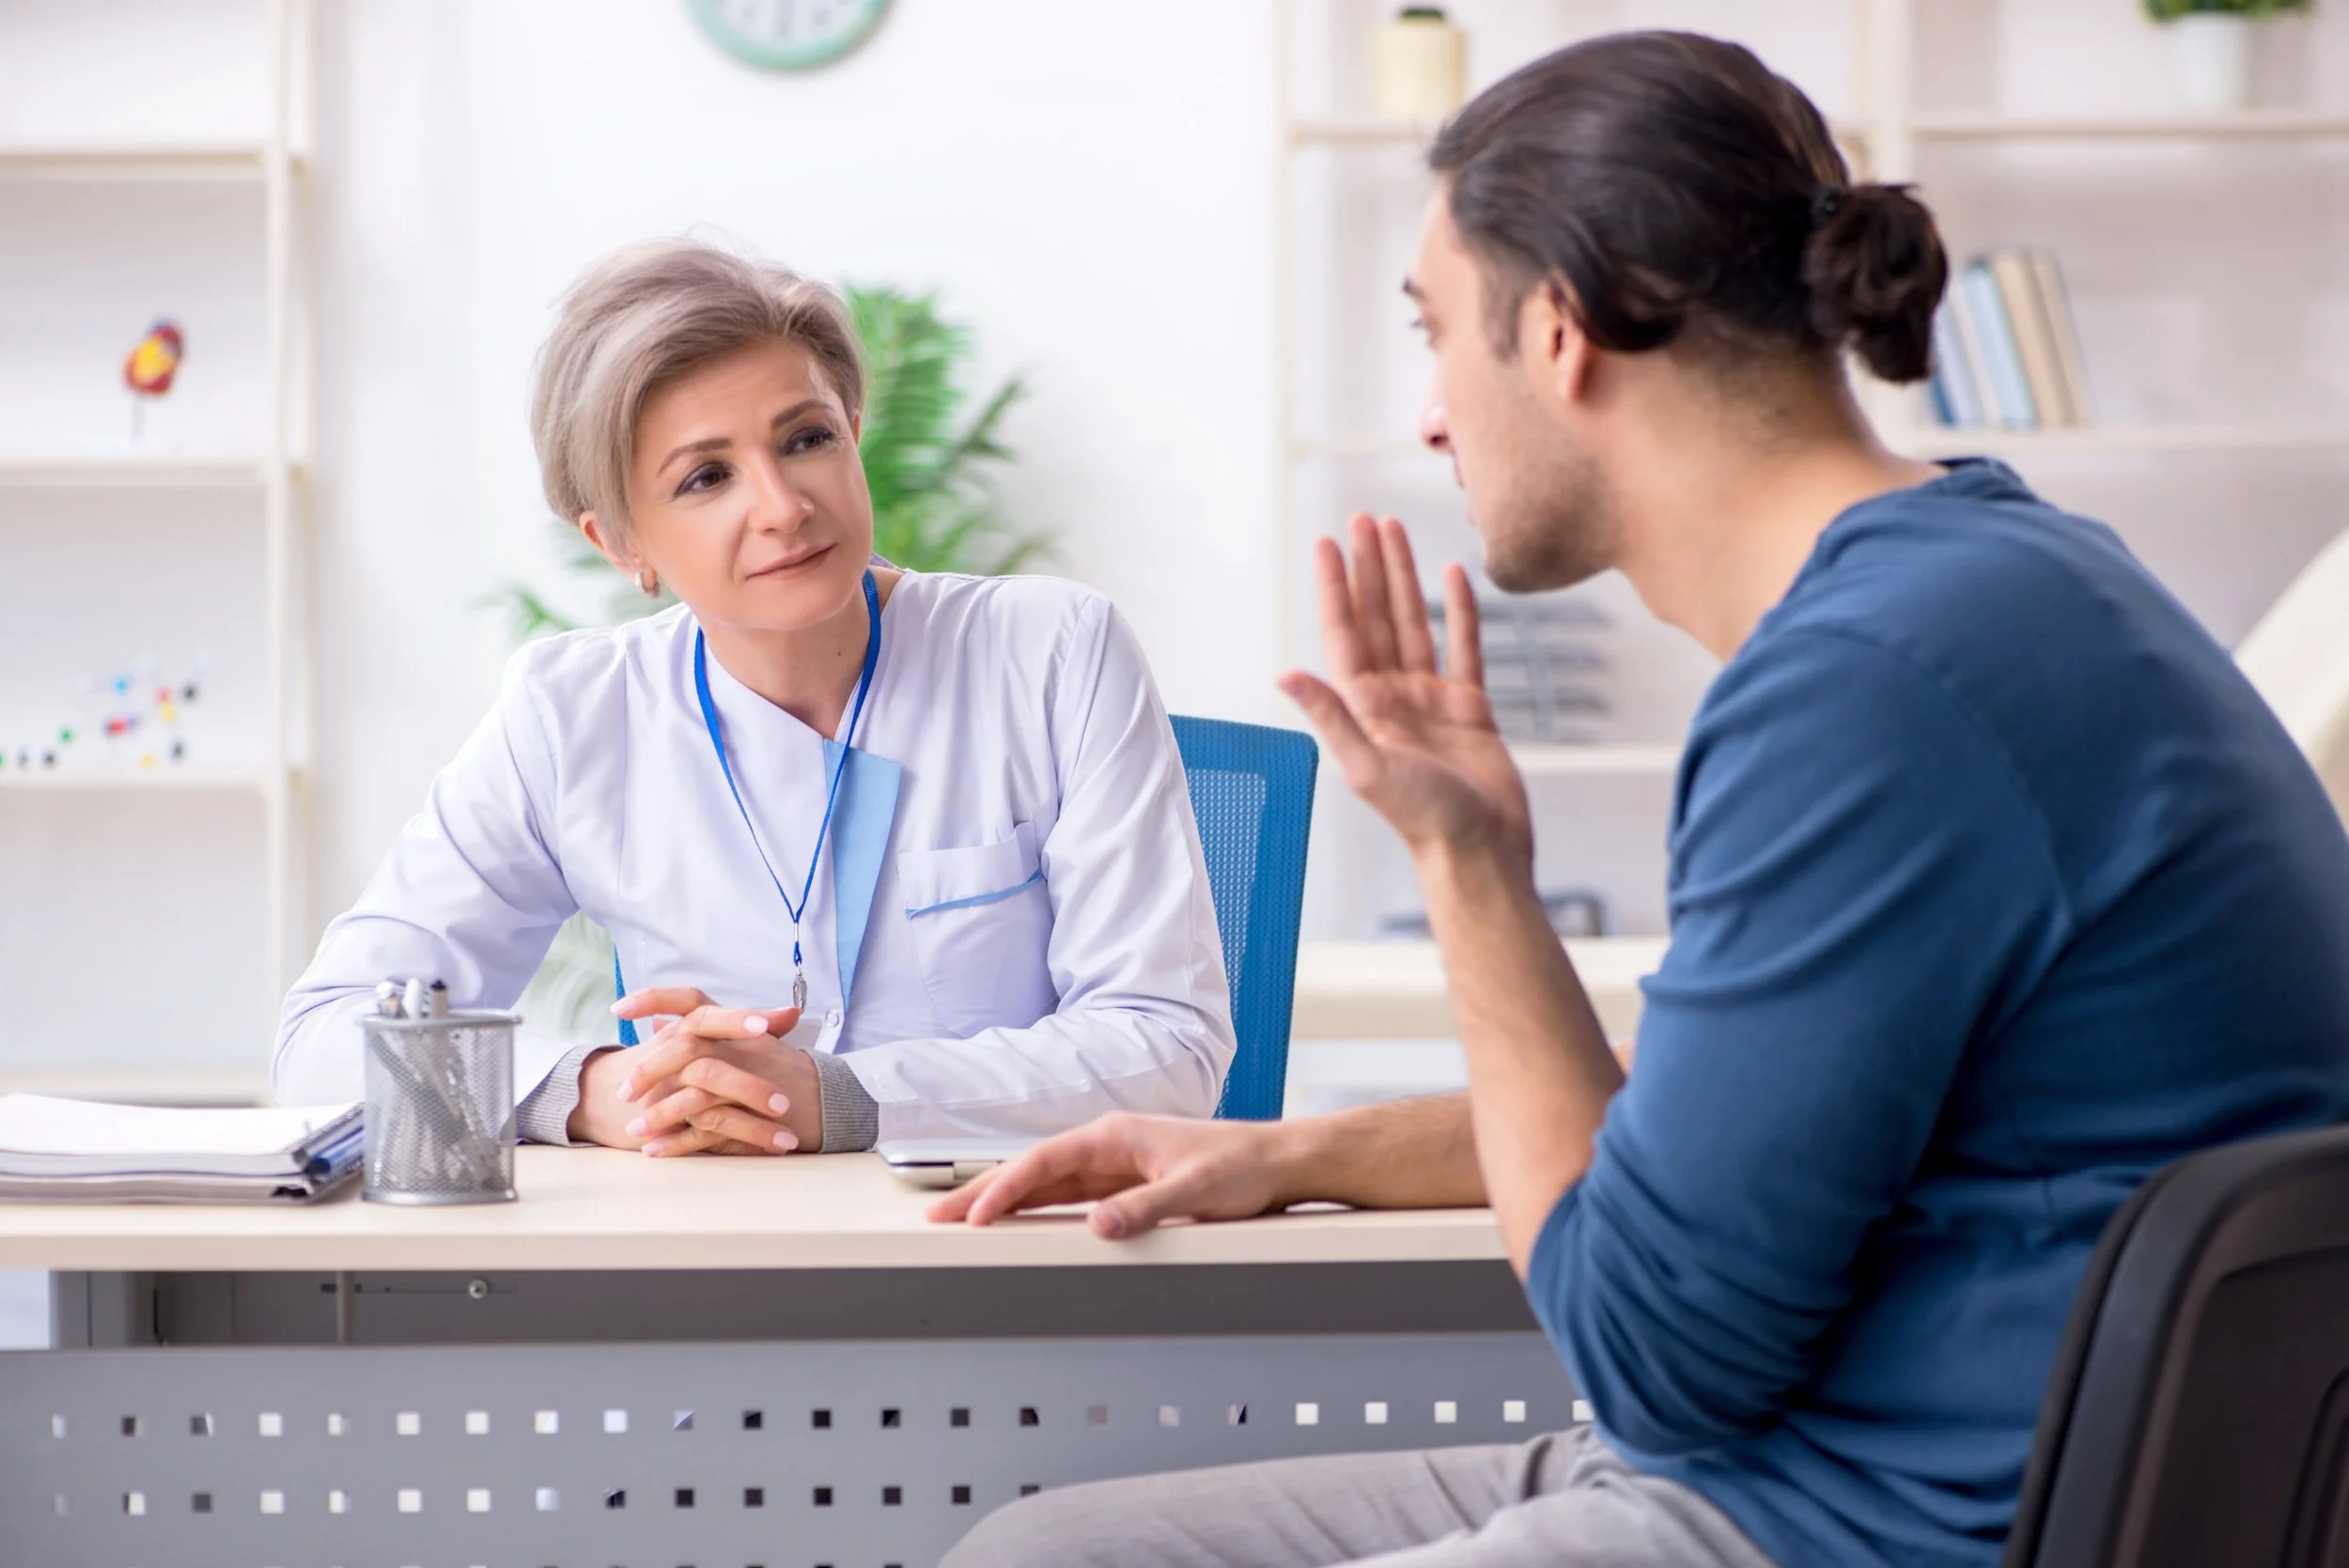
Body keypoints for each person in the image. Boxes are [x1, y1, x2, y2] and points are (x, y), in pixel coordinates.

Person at [930, 30, 2349, 1568]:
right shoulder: (2005, 574)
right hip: (1816, 1457)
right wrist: (1300, 1149)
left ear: (1558, 329)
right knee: (1041, 1546)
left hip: (1859, 1521)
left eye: (1435, 332)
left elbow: (1651, 1353)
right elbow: (1701, 1112)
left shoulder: (1871, 683)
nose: (1426, 416)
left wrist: (1463, 865)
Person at [273, 240, 1235, 1157]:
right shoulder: (572, 717)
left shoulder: (1052, 653)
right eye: (705, 478)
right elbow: (324, 1039)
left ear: (853, 435)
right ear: (621, 545)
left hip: (1008, 1250)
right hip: (716, 1258)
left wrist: (840, 1098)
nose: (780, 505)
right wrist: (590, 1090)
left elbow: (1167, 1046)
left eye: (805, 438)